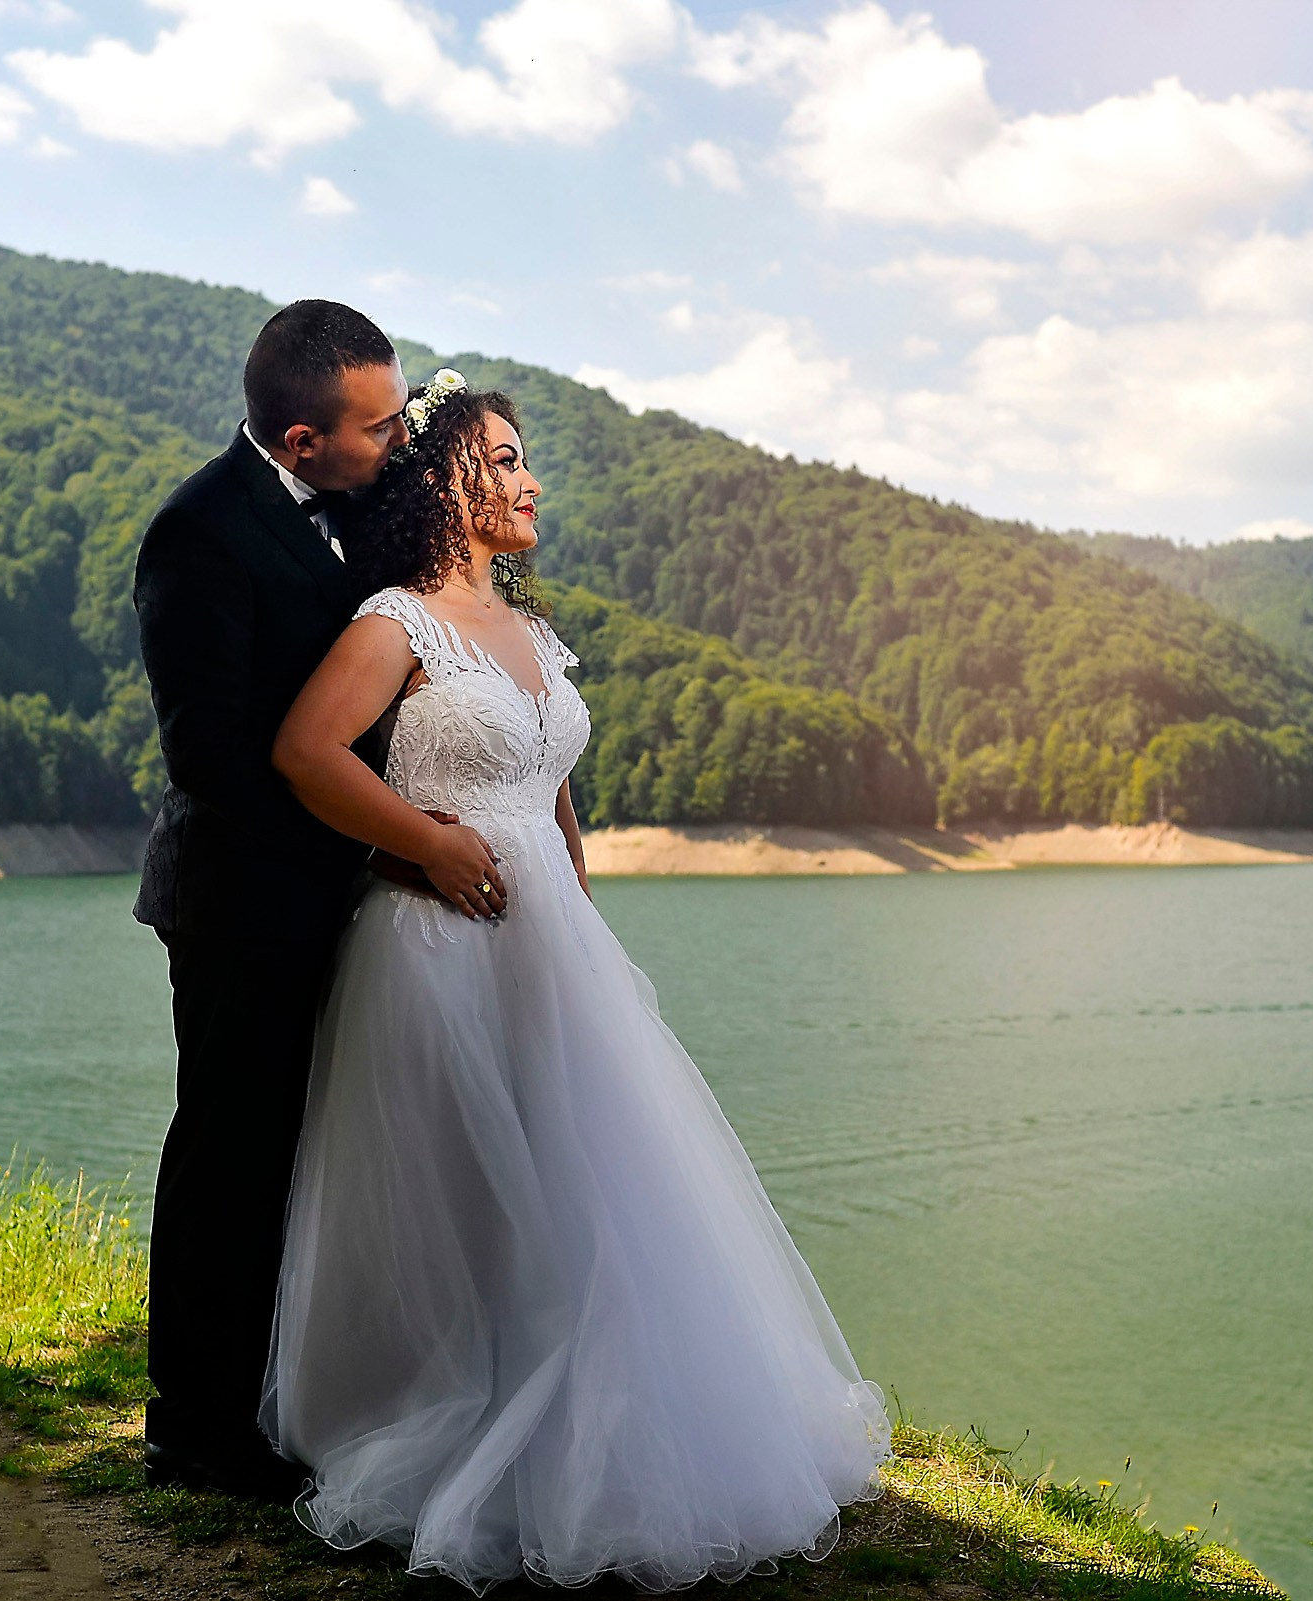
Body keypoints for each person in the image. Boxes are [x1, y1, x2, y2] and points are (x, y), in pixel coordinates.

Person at [262, 373, 890, 1591]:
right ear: (443, 478)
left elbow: (552, 799)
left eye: (523, 458)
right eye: (504, 459)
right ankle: (460, 1426)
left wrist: (586, 928)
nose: (530, 481)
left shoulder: (534, 634)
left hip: (555, 953)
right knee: (479, 1200)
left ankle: (601, 1439)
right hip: (438, 948)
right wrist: (425, 841)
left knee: (588, 1195)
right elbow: (305, 751)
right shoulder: (395, 621)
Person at [132, 300, 417, 1499]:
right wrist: (371, 838)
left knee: (316, 1148)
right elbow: (211, 755)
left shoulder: (363, 496)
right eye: (379, 425)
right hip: (242, 899)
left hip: (344, 890)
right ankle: (194, 1425)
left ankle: (285, 1390)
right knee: (234, 1152)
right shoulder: (197, 531)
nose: (398, 439)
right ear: (301, 441)